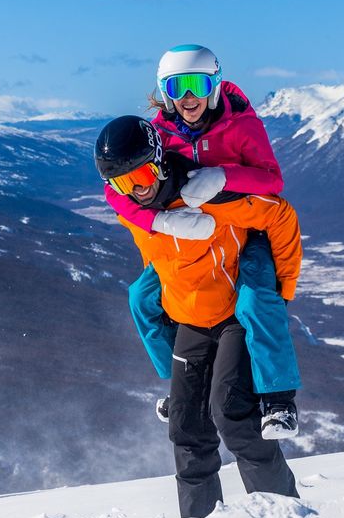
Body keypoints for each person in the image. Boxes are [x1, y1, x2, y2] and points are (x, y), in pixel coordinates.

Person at [95, 115, 301, 518]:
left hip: (231, 317)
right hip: (189, 317)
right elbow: (122, 204)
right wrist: (157, 219)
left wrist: (281, 290)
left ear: (158, 159)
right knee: (186, 430)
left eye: (142, 174)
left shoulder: (206, 194)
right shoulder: (135, 209)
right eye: (124, 183)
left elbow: (280, 214)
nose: (138, 189)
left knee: (233, 415)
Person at [103, 44, 301, 438]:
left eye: (197, 84)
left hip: (245, 229)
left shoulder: (241, 125)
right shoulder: (158, 133)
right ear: (164, 91)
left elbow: (272, 182)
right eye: (177, 88)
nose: (188, 97)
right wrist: (159, 221)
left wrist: (225, 177)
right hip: (184, 233)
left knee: (257, 298)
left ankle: (279, 401)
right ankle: (178, 383)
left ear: (214, 84)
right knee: (142, 299)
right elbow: (114, 191)